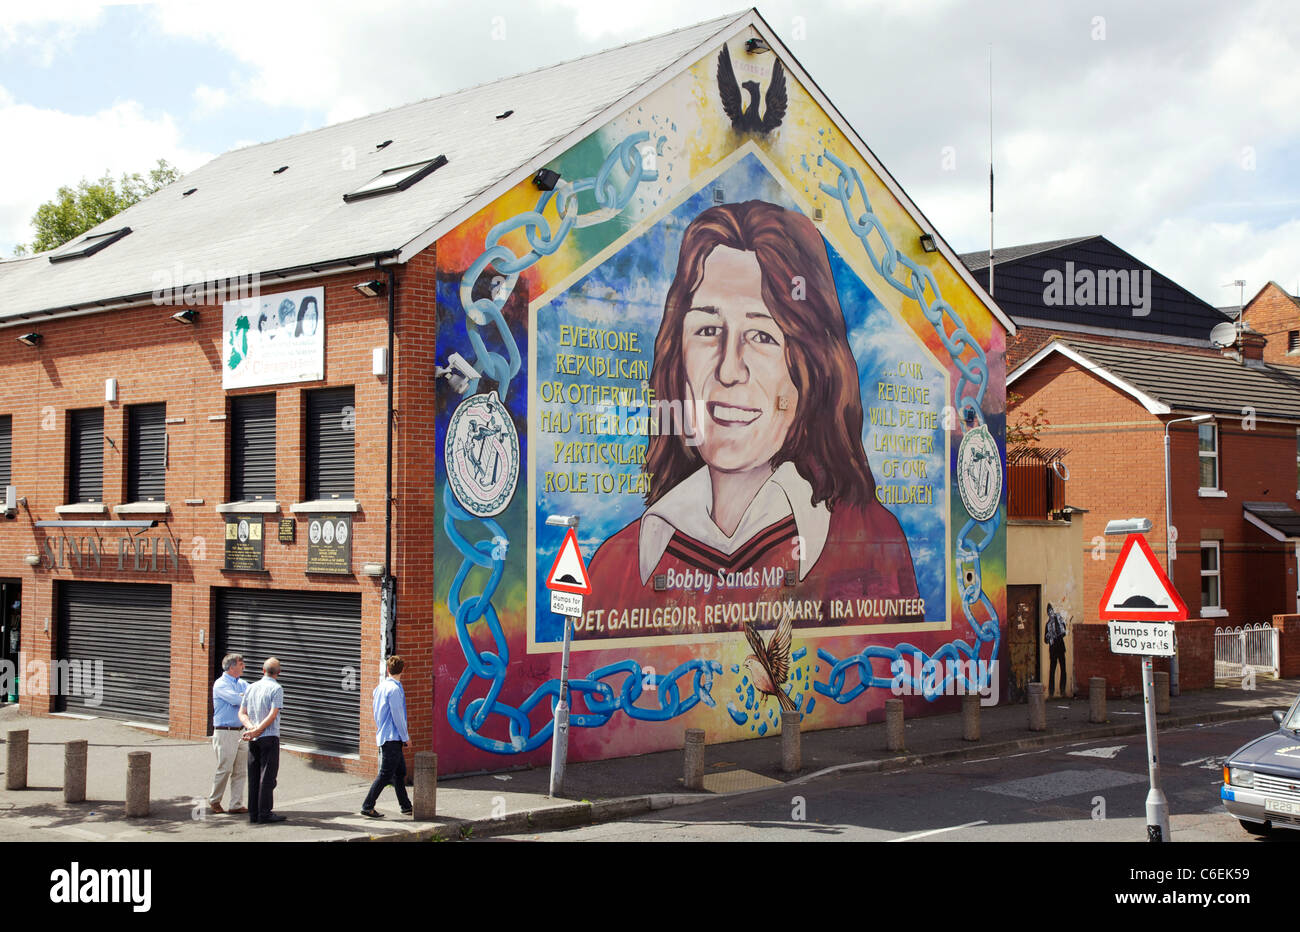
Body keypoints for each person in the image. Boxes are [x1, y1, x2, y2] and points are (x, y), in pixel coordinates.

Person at [588, 200, 920, 623]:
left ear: (811, 366)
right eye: (708, 330)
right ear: (678, 355)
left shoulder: (869, 543)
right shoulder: (618, 567)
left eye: (762, 335)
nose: (729, 369)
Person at [360, 655, 412, 818]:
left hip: (385, 734)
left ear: (388, 670)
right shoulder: (395, 689)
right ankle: (367, 805)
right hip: (392, 737)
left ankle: (406, 806)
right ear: (402, 670)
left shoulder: (381, 687)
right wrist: (405, 737)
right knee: (386, 774)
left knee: (399, 772)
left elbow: (377, 711)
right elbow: (398, 715)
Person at [239, 657, 286, 824]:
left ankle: (254, 813)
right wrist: (258, 730)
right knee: (267, 777)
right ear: (278, 673)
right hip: (269, 737)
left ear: (262, 670)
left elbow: (242, 713)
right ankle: (265, 813)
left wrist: (251, 729)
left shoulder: (251, 687)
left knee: (253, 775)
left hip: (254, 739)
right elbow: (273, 715)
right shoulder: (276, 688)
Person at [207, 653, 249, 815]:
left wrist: (243, 696)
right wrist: (242, 697)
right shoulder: (220, 684)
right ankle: (214, 800)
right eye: (240, 663)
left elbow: (250, 697)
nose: (243, 666)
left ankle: (236, 804)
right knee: (225, 768)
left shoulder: (242, 683)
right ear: (232, 667)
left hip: (241, 731)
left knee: (240, 770)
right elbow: (238, 701)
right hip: (225, 732)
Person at [1045, 603, 1068, 698]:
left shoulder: (1058, 619)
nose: (1051, 613)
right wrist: (1050, 636)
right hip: (1054, 648)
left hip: (1059, 647)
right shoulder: (1048, 624)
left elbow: (1064, 631)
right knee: (1053, 670)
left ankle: (1062, 690)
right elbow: (1045, 640)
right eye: (1049, 612)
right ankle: (1052, 692)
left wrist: (1056, 634)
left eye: (1051, 611)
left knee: (1062, 669)